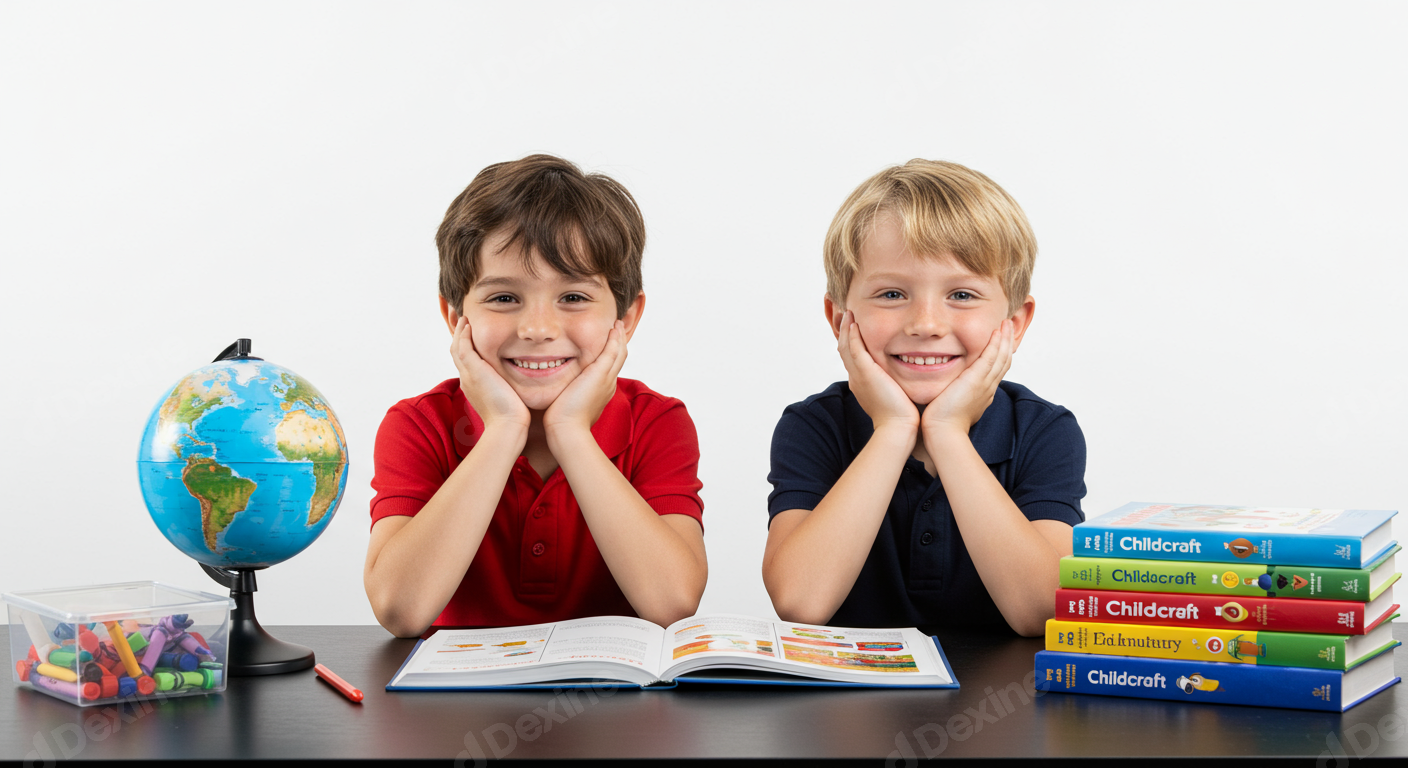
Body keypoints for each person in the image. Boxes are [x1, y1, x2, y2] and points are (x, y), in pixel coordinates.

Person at [364, 154, 707, 638]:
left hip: (611, 705)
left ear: (625, 319)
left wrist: (571, 432)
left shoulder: (657, 422)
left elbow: (671, 603)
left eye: (573, 297)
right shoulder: (418, 424)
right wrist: (503, 430)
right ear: (454, 316)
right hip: (453, 711)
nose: (538, 329)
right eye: (504, 298)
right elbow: (401, 610)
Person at [762, 159, 1086, 636]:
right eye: (892, 294)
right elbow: (801, 602)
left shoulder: (1045, 431)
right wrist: (893, 430)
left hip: (1007, 707)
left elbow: (1041, 611)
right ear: (839, 320)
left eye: (962, 295)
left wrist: (947, 434)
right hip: (853, 707)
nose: (926, 324)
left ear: (1014, 324)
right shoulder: (813, 426)